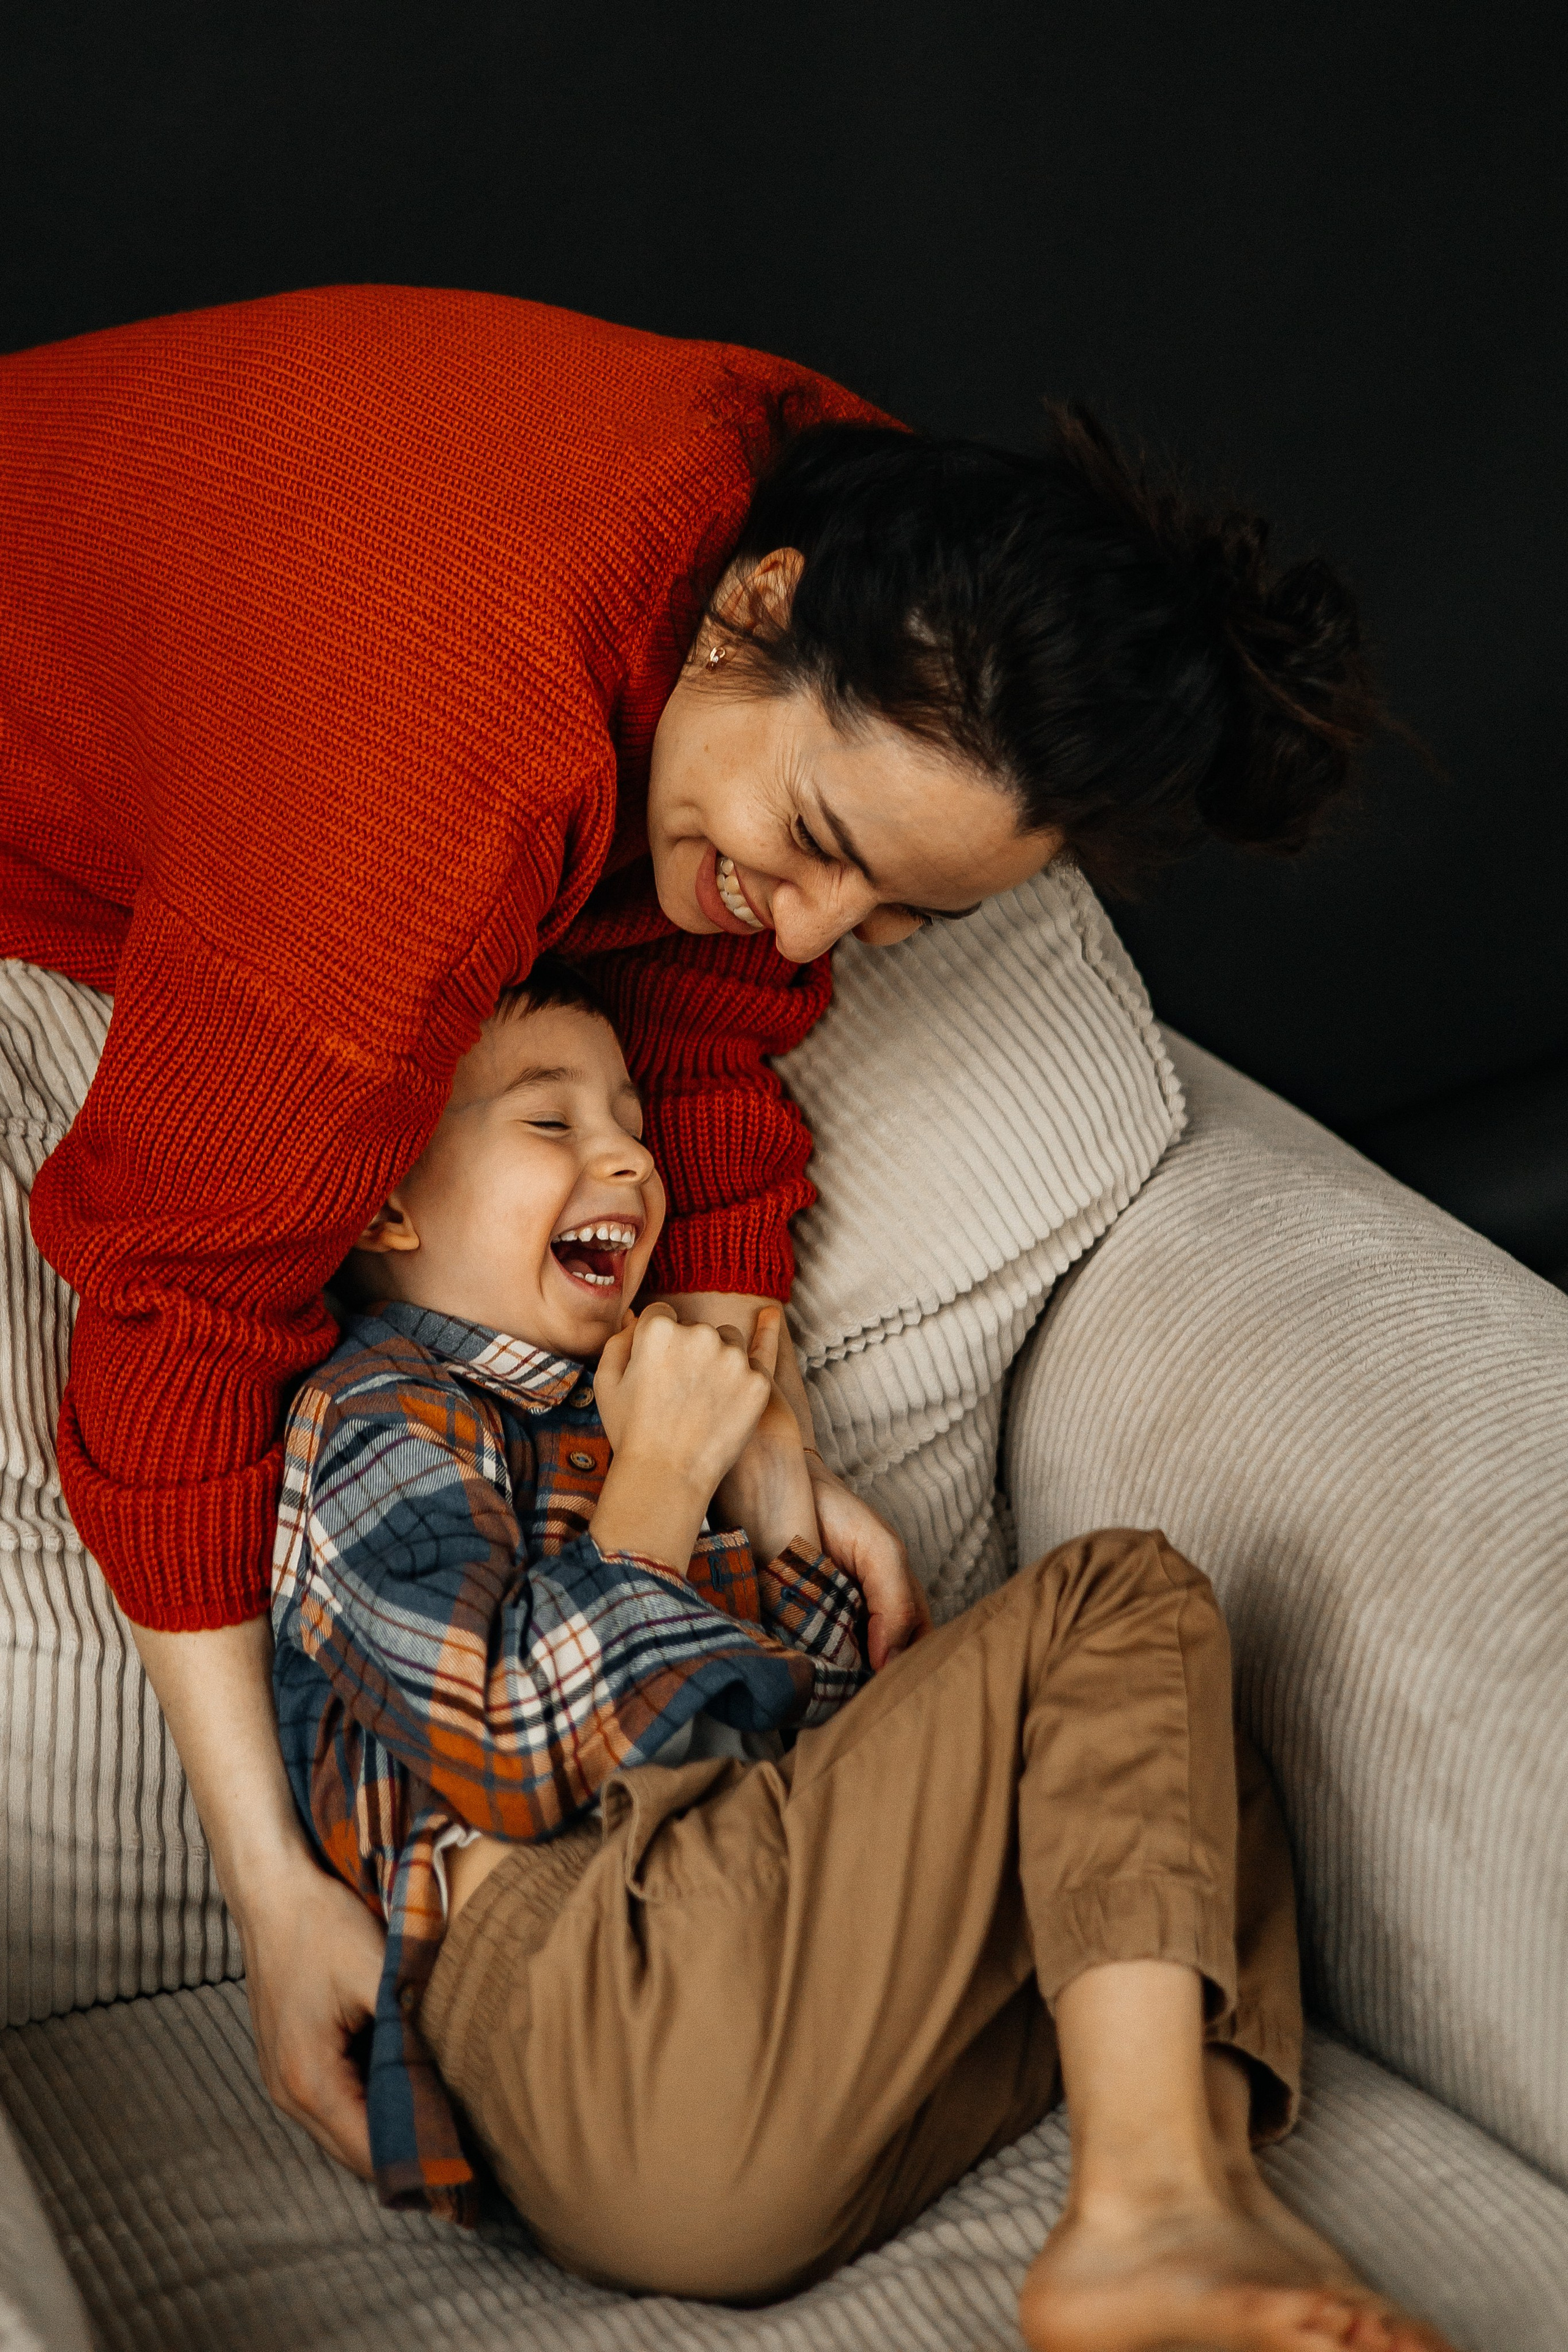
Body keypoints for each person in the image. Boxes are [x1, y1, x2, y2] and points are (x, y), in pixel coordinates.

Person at [0, 285, 1383, 2173]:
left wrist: (762, 1432)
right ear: (747, 616)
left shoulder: (869, 546)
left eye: (892, 918)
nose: (810, 932)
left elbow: (713, 1000)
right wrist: (268, 1883)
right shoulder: (424, 789)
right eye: (817, 843)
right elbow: (175, 1301)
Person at [271, 961, 1453, 2352]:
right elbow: (507, 1746)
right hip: (581, 2015)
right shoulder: (380, 1414)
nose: (626, 1158)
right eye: (549, 1125)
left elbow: (826, 1759)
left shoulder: (643, 1415)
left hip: (752, 2149)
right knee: (1119, 1599)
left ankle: (1198, 2202)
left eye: (634, 1124)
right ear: (386, 1204)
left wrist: (767, 1494)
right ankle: (1147, 2214)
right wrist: (652, 1482)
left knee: (1181, 1763)